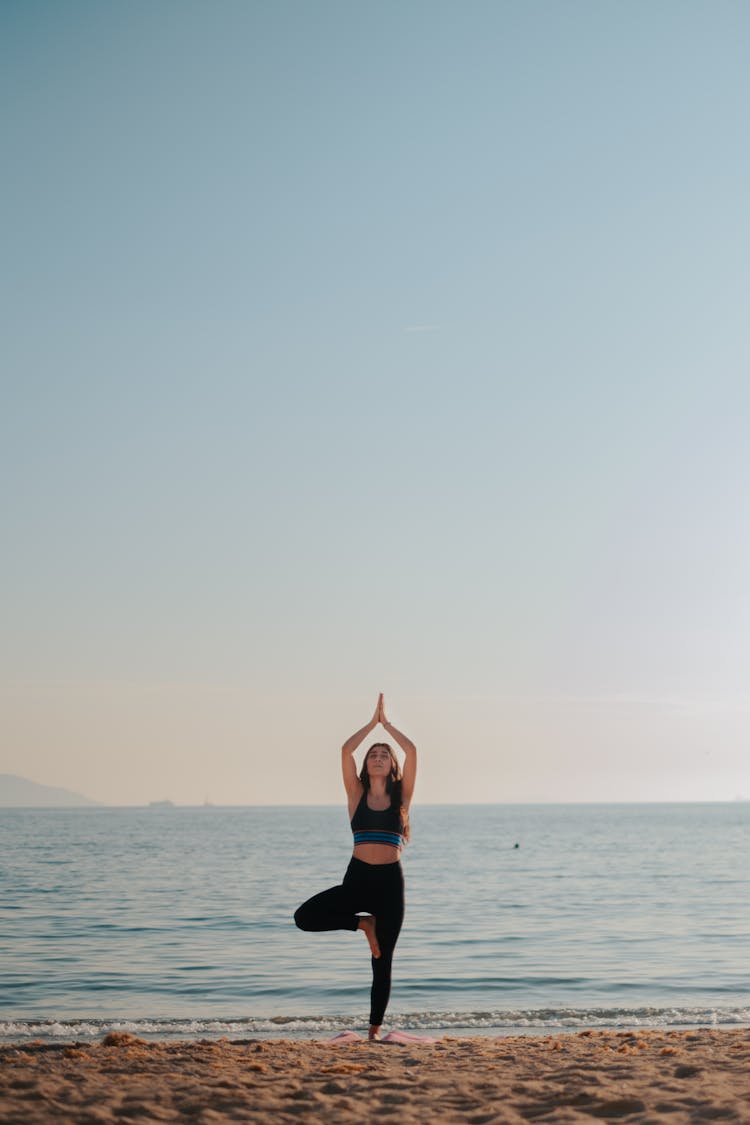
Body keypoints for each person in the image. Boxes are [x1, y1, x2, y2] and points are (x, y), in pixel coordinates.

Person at [294, 693, 417, 1040]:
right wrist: (372, 723)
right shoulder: (356, 794)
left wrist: (389, 726)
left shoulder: (402, 798)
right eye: (373, 755)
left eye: (384, 755)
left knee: (383, 961)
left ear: (391, 765)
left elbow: (414, 753)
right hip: (358, 880)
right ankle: (362, 923)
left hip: (390, 885)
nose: (377, 757)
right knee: (303, 918)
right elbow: (346, 751)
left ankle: (374, 1031)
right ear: (366, 765)